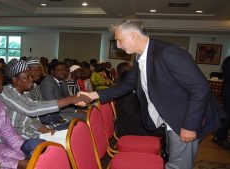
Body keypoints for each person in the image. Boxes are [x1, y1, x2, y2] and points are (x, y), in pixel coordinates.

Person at [78, 18, 223, 169]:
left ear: (133, 36)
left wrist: (190, 126)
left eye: (119, 40)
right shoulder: (140, 56)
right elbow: (127, 85)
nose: (118, 45)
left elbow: (200, 88)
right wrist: (92, 95)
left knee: (178, 166)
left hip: (184, 119)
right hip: (170, 117)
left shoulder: (169, 52)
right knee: (171, 157)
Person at [0, 59, 88, 139]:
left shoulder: (24, 91)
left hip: (29, 131)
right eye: (26, 77)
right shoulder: (6, 92)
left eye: (31, 76)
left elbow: (31, 118)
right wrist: (71, 99)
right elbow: (31, 109)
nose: (31, 80)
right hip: (14, 137)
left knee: (69, 133)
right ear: (15, 80)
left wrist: (44, 129)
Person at [213, 56, 230, 149]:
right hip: (229, 94)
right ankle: (220, 137)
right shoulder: (228, 60)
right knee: (227, 116)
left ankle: (219, 136)